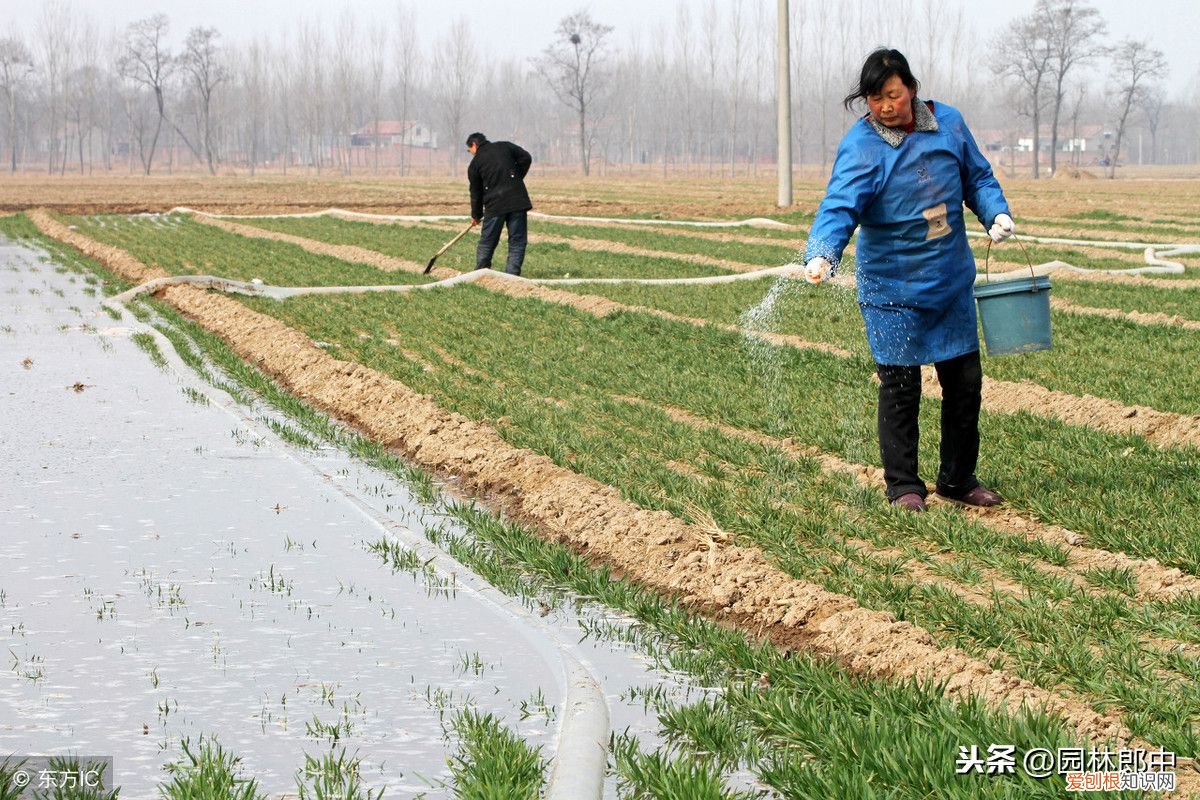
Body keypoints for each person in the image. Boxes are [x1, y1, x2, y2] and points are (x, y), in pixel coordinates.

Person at [803, 48, 1016, 513]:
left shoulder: (950, 125)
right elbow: (839, 206)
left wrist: (995, 211)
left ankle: (958, 480)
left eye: (893, 95)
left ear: (912, 88)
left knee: (964, 386)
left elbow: (977, 177)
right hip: (893, 289)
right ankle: (904, 487)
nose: (884, 106)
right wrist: (823, 252)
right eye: (875, 98)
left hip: (948, 282)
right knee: (901, 388)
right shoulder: (861, 146)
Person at [466, 132, 533, 276]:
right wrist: (516, 178)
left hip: (495, 205)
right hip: (517, 200)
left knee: (488, 241)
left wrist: (476, 215)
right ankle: (512, 275)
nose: (470, 153)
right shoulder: (505, 146)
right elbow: (526, 157)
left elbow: (476, 193)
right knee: (517, 241)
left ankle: (481, 273)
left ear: (474, 145)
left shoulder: (475, 164)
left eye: (469, 150)